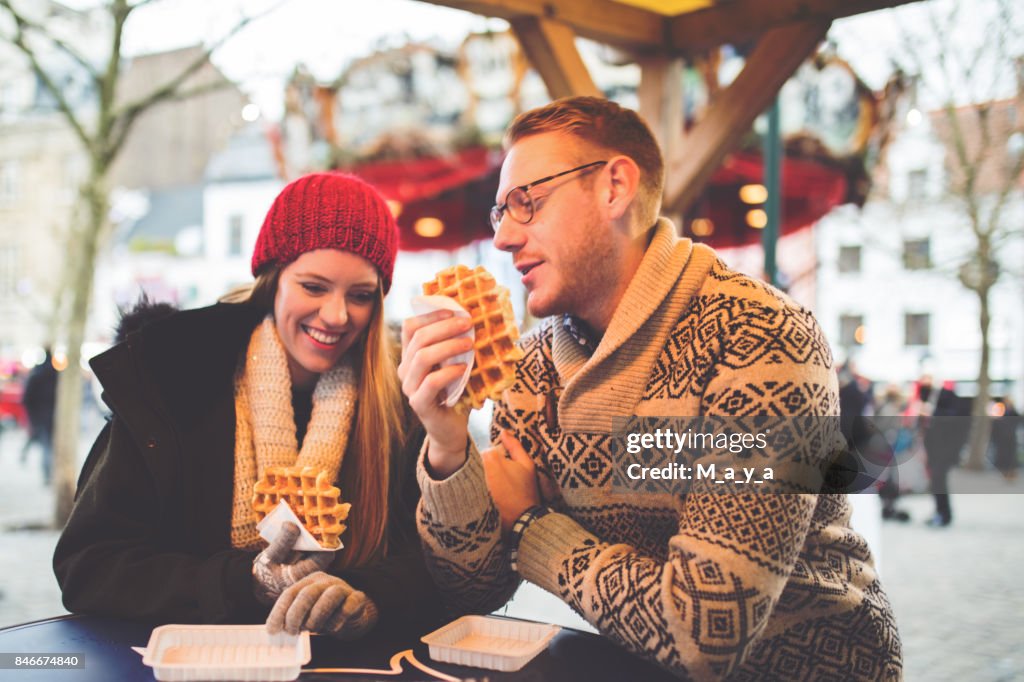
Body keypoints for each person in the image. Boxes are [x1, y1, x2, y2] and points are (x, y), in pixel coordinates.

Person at [400, 97, 901, 679]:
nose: (505, 237)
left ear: (614, 187)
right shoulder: (532, 367)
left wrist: (533, 526)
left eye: (526, 203)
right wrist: (447, 447)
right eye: (499, 213)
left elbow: (706, 635)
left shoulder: (758, 339)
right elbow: (473, 592)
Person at [54, 173, 444, 640]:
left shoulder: (398, 404)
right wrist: (248, 583)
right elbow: (89, 568)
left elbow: (433, 566)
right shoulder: (175, 375)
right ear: (273, 277)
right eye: (314, 287)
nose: (337, 315)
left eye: (360, 295)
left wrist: (369, 596)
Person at [922, 382, 970, 527]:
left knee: (938, 481)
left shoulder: (949, 402)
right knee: (936, 482)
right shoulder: (939, 402)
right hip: (936, 452)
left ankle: (944, 514)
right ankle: (940, 512)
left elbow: (952, 428)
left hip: (943, 452)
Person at [21, 348, 58, 484]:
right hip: (52, 416)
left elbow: (26, 398)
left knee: (44, 444)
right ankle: (48, 474)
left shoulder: (36, 375)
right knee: (47, 445)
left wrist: (32, 417)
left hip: (40, 417)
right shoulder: (56, 376)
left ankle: (47, 474)